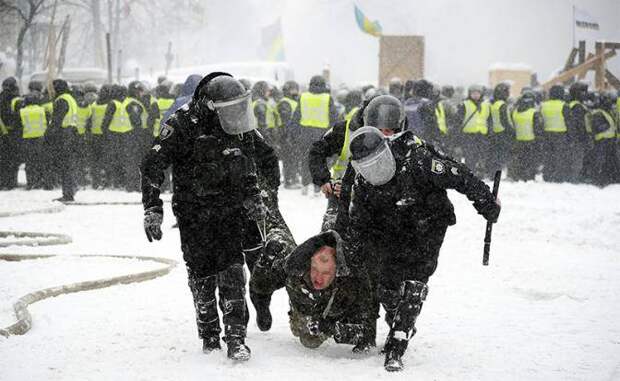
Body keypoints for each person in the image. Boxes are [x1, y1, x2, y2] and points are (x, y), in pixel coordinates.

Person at [140, 72, 280, 361]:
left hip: (230, 208)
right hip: (193, 212)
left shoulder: (239, 124)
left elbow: (266, 157)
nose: (234, 116)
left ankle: (236, 338)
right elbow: (152, 165)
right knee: (202, 274)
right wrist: (152, 208)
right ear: (209, 105)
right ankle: (209, 334)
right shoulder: (180, 124)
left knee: (232, 271)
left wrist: (264, 196)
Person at [340, 125, 501, 372]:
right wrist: (353, 254)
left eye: (378, 163)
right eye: (367, 167)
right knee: (388, 284)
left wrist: (486, 203)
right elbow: (359, 222)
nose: (375, 171)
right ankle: (400, 319)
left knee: (415, 281)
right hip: (395, 226)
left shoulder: (418, 160)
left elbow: (461, 175)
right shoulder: (363, 183)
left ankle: (397, 343)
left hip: (430, 223)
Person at [251, 230, 373, 351]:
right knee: (300, 331)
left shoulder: (353, 281)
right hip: (303, 305)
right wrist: (265, 260)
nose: (318, 278)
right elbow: (261, 286)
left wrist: (331, 328)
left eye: (326, 273)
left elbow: (367, 333)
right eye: (315, 269)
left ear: (337, 271)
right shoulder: (295, 265)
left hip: (334, 315)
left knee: (310, 341)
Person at [309, 94, 400, 232]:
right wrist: (323, 180)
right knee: (331, 239)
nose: (384, 133)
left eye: (388, 129)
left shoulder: (400, 137)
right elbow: (317, 151)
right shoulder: (343, 130)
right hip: (340, 196)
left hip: (380, 200)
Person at [289, 75, 338, 195]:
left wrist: (295, 134)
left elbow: (296, 117)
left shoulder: (303, 97)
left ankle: (305, 185)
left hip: (305, 133)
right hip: (322, 133)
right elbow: (334, 118)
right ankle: (318, 186)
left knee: (306, 159)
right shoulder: (328, 98)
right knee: (321, 160)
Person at [47, 79, 79, 201]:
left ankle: (68, 194)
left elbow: (56, 120)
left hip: (64, 134)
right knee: (69, 164)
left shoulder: (61, 100)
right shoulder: (70, 98)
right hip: (71, 133)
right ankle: (70, 191)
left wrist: (48, 135)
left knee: (65, 165)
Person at [15, 84, 47, 189]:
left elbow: (18, 126)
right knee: (40, 161)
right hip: (40, 138)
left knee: (29, 162)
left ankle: (30, 182)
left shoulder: (22, 112)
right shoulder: (42, 110)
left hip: (27, 138)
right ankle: (40, 181)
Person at [455, 84, 491, 178]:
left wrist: (489, 133)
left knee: (482, 155)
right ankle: (470, 173)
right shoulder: (465, 104)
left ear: (481, 94)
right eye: (473, 93)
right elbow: (458, 121)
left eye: (477, 93)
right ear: (469, 94)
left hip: (482, 135)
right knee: (470, 156)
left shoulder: (486, 105)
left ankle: (480, 174)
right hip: (469, 135)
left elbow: (489, 119)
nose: (475, 95)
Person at [585, 91, 618, 186]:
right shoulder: (598, 113)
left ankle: (609, 178)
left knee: (610, 161)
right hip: (602, 141)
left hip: (609, 140)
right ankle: (599, 179)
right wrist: (607, 126)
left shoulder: (606, 112)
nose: (611, 104)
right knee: (600, 161)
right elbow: (597, 127)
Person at [509, 92, 543, 181]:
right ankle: (528, 177)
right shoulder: (533, 112)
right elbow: (537, 128)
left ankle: (519, 176)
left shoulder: (515, 111)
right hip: (531, 140)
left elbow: (512, 126)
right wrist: (539, 141)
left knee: (520, 161)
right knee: (530, 161)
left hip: (518, 140)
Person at [540, 85, 571, 182]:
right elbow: (569, 122)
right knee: (560, 156)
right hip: (561, 134)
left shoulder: (543, 105)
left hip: (547, 133)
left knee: (548, 156)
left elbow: (541, 120)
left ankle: (547, 176)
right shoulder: (564, 105)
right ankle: (559, 177)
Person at [277, 80, 301, 188]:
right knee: (288, 158)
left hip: (294, 133)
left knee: (294, 157)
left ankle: (293, 177)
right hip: (286, 134)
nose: (295, 91)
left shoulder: (293, 101)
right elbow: (285, 120)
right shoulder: (285, 102)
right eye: (293, 89)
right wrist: (288, 135)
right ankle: (289, 180)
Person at [0, 77, 21, 189]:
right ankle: (11, 182)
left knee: (3, 159)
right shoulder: (16, 99)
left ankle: (3, 182)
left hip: (2, 133)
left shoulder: (0, 98)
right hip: (13, 133)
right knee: (13, 160)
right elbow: (18, 116)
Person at [487, 82, 513, 175]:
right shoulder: (502, 104)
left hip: (495, 133)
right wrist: (512, 132)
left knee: (495, 155)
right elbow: (506, 120)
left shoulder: (494, 104)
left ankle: (492, 173)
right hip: (503, 133)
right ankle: (498, 173)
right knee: (502, 155)